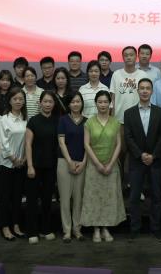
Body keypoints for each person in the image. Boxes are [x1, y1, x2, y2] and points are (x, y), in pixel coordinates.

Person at [124, 78, 161, 242]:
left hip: (155, 161)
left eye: (148, 88)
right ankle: (135, 229)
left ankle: (156, 228)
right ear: (137, 91)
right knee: (134, 197)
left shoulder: (160, 112)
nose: (144, 91)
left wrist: (153, 155)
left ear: (152, 91)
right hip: (136, 161)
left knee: (156, 196)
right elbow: (128, 137)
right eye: (141, 88)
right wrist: (140, 155)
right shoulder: (129, 113)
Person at [80, 91, 126, 242]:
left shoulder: (115, 122)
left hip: (112, 166)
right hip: (94, 166)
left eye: (106, 102)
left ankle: (106, 228)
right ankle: (96, 229)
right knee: (94, 198)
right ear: (96, 103)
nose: (103, 105)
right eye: (100, 102)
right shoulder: (89, 122)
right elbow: (86, 144)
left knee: (108, 197)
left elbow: (119, 144)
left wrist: (111, 163)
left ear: (110, 103)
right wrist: (98, 164)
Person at [25, 91, 61, 244]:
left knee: (47, 199)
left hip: (51, 166)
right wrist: (30, 166)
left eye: (50, 102)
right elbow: (28, 144)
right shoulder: (33, 121)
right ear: (40, 103)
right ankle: (32, 231)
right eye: (45, 101)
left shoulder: (58, 121)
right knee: (32, 200)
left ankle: (45, 229)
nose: (47, 104)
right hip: (35, 166)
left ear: (54, 104)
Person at [0, 87, 28, 241]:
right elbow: (3, 143)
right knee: (5, 197)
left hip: (21, 164)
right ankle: (5, 227)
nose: (18, 101)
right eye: (15, 99)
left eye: (21, 99)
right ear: (9, 101)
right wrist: (14, 159)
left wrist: (24, 159)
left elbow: (28, 142)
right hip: (6, 164)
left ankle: (16, 225)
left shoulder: (26, 119)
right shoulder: (4, 119)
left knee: (17, 197)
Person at [57, 92, 87, 242]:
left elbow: (89, 145)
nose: (76, 104)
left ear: (82, 103)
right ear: (69, 104)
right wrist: (69, 162)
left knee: (78, 198)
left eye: (78, 101)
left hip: (82, 163)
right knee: (65, 198)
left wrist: (84, 162)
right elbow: (61, 142)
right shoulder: (63, 120)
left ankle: (77, 229)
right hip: (64, 162)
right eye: (73, 102)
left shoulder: (87, 121)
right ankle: (67, 231)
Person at [110, 46, 149, 123]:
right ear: (123, 57)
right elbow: (113, 98)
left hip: (139, 118)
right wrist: (112, 117)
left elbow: (147, 97)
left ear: (136, 57)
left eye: (131, 55)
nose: (128, 57)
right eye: (126, 55)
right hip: (119, 118)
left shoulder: (143, 75)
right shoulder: (116, 74)